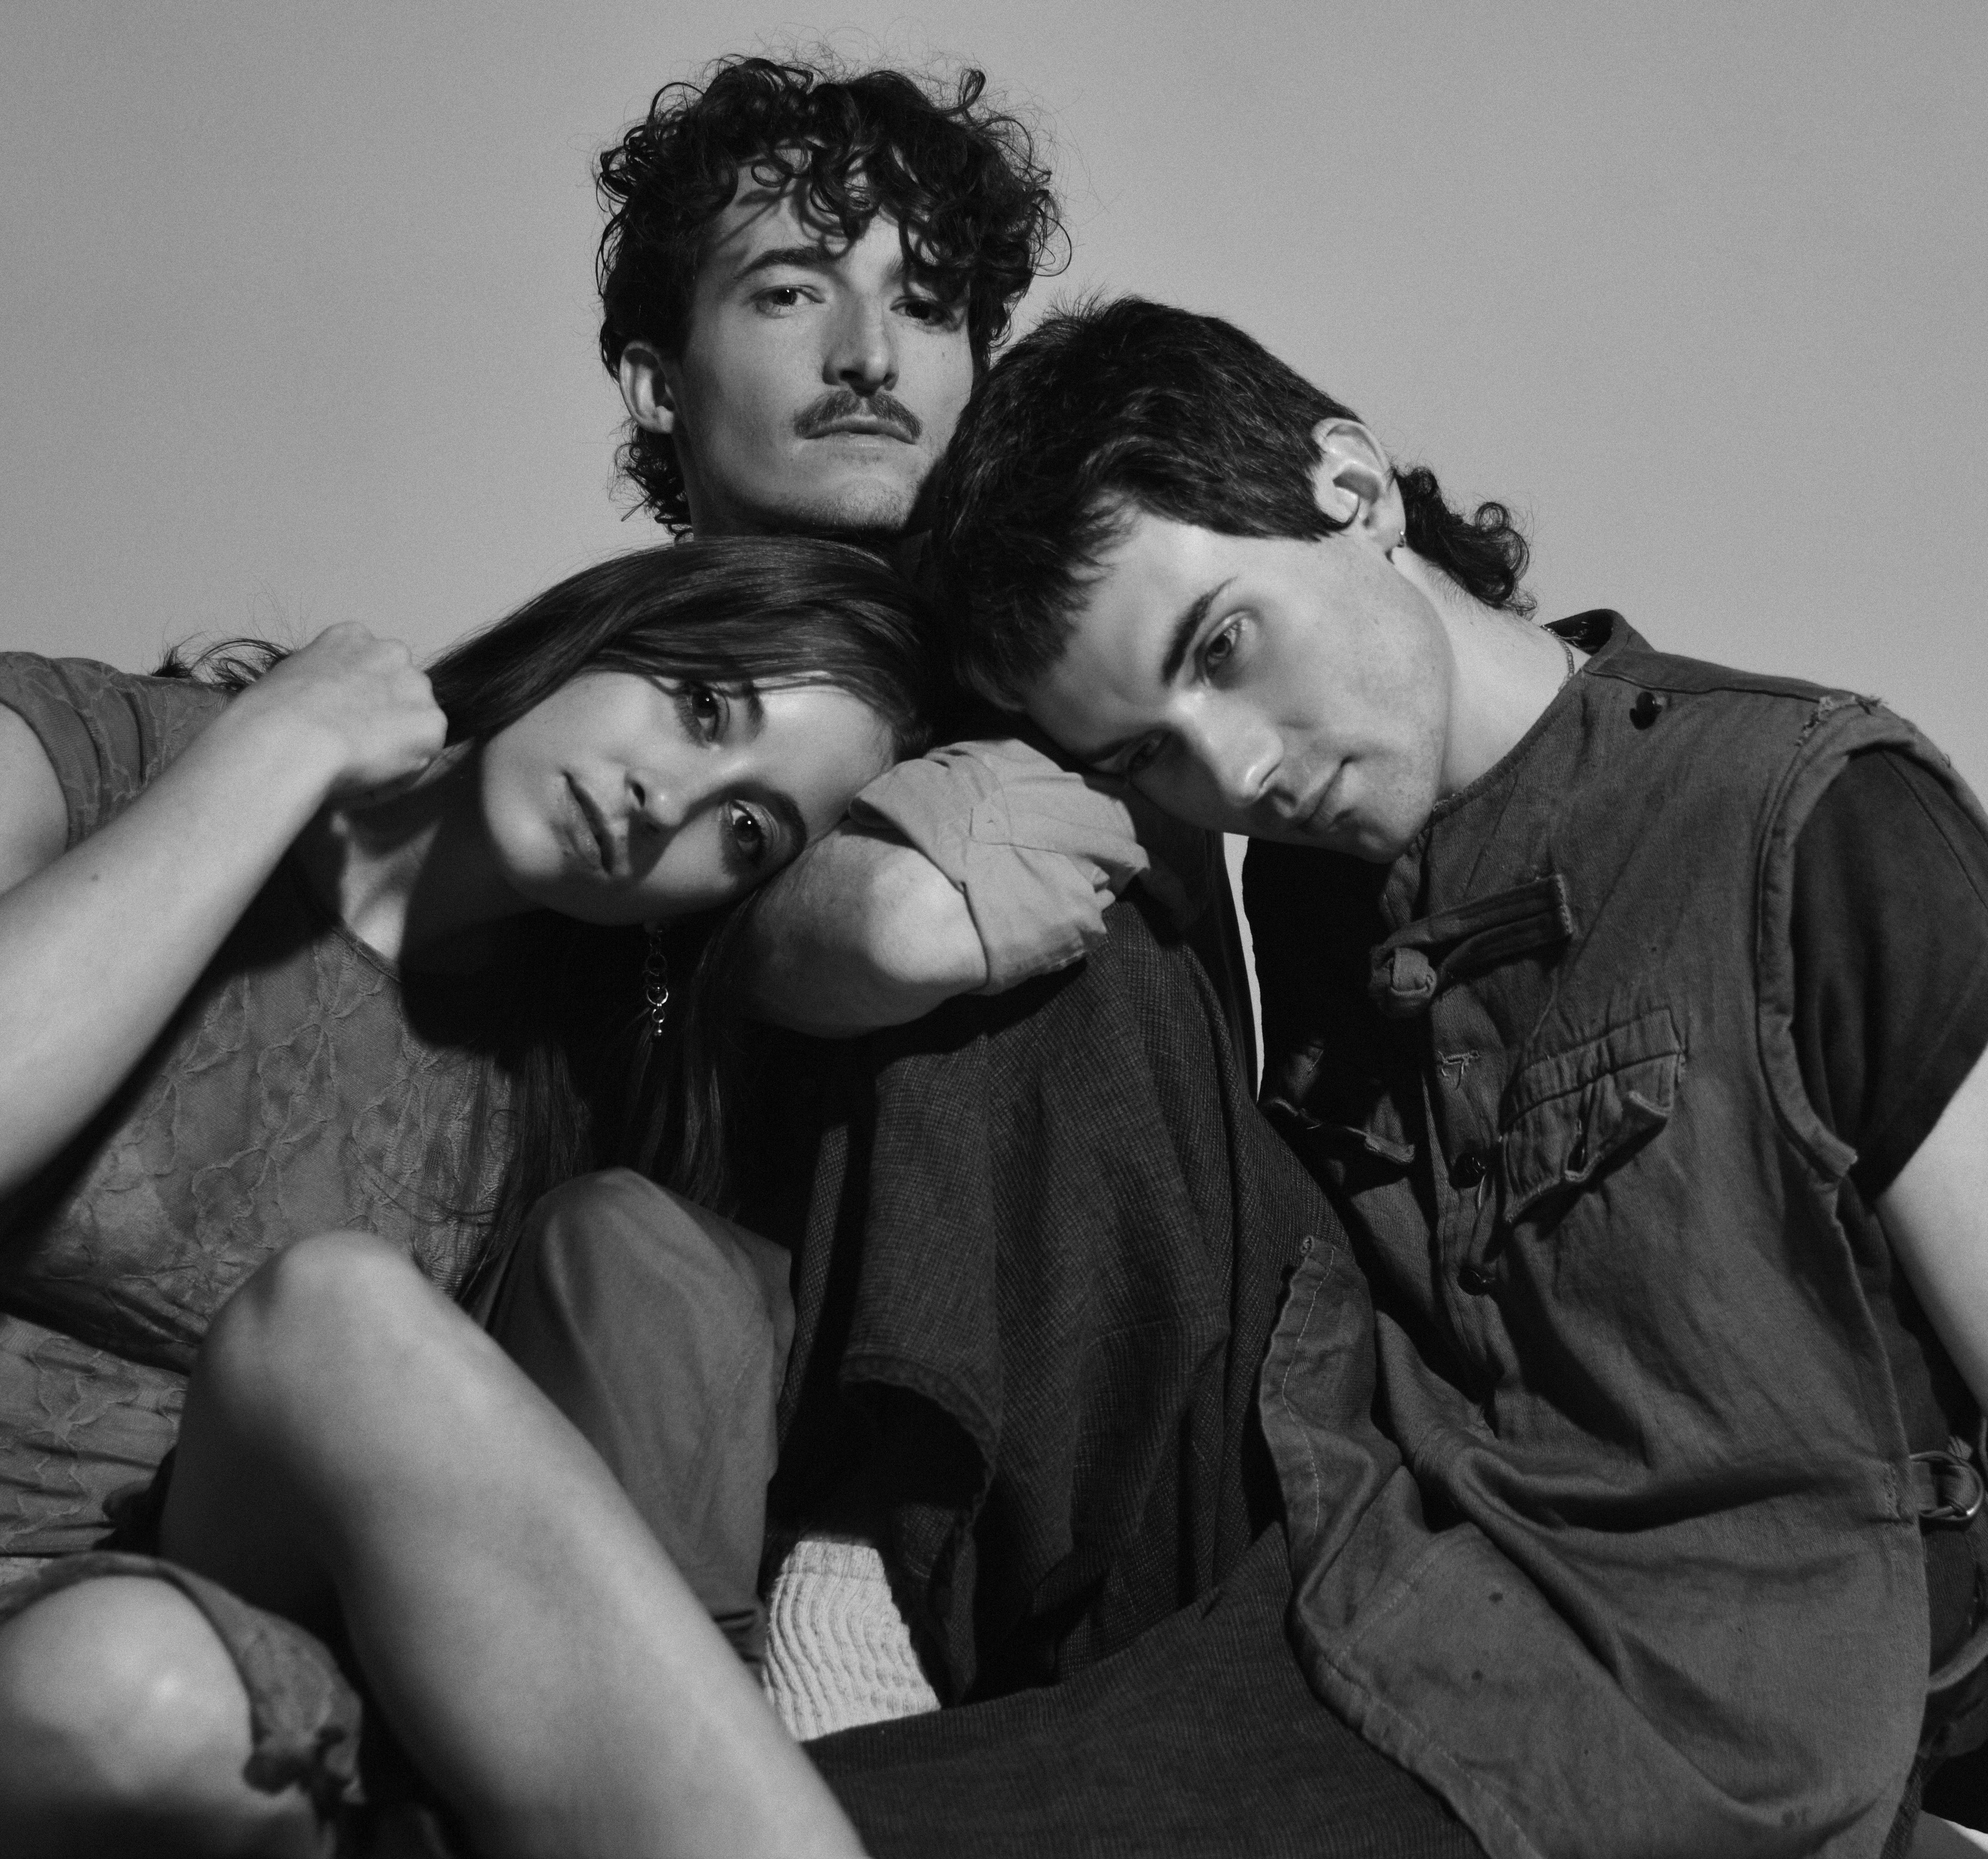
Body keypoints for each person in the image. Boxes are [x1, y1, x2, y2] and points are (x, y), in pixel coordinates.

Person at [919, 293, 1988, 1856]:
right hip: (1347, 1625)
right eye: (1147, 751)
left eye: (1223, 646)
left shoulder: (1804, 815)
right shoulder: (1308, 901)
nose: (1236, 772)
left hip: (1696, 1736)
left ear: (1352, 491)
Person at [559, 53, 1304, 1742]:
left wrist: (844, 913)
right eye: (789, 292)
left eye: (926, 303)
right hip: (710, 1411)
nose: (870, 356)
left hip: (1156, 1435)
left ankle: (860, 1591)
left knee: (1046, 962)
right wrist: (793, 929)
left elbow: (963, 921)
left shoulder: (1079, 659)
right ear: (657, 378)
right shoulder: (576, 716)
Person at [0, 535, 946, 1858]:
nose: (666, 799)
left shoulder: (558, 1105)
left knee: (160, 1653)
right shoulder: (98, 747)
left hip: (178, 1609)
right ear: (608, 629)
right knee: (131, 1686)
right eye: (702, 705)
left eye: (745, 832)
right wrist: (273, 745)